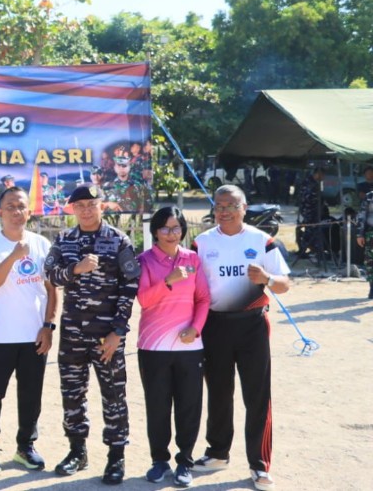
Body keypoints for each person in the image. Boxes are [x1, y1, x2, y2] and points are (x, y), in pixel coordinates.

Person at [192, 185, 291, 491]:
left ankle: (259, 466)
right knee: (219, 392)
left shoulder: (262, 241)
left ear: (244, 207)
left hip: (252, 327)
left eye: (231, 206)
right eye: (219, 206)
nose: (224, 211)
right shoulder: (202, 242)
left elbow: (285, 284)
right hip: (215, 326)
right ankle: (218, 452)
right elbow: (191, 286)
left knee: (257, 397)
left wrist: (267, 279)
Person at [43, 183, 138, 486]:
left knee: (113, 395)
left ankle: (116, 456)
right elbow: (49, 274)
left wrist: (118, 332)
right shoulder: (64, 239)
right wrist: (75, 270)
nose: (85, 210)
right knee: (72, 394)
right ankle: (76, 451)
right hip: (72, 333)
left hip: (106, 335)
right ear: (72, 209)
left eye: (91, 204)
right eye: (79, 205)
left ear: (101, 205)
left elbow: (130, 287)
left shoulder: (118, 240)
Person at [0, 187, 58, 475]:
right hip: (0, 336)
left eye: (20, 206)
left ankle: (26, 446)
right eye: (9, 206)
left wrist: (48, 326)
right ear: (0, 212)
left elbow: (51, 290)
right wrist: (13, 256)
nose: (15, 211)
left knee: (31, 395)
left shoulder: (42, 244)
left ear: (29, 212)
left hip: (34, 335)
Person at [136, 207, 210, 488]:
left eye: (177, 227)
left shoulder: (193, 260)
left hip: (190, 347)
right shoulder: (144, 260)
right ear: (155, 231)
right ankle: (159, 460)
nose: (171, 233)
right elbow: (143, 300)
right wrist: (168, 281)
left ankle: (185, 462)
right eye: (165, 228)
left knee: (189, 406)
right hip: (153, 346)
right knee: (157, 405)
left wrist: (196, 328)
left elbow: (203, 298)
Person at [104, 146, 149, 213]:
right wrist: (108, 204)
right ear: (114, 167)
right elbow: (100, 206)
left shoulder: (138, 186)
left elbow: (142, 208)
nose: (121, 168)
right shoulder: (106, 186)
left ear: (129, 167)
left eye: (124, 165)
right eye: (119, 165)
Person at [296, 166, 324, 259]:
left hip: (311, 210)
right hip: (309, 210)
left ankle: (310, 249)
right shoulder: (310, 183)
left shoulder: (314, 182)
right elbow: (309, 198)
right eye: (321, 175)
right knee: (310, 230)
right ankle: (304, 249)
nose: (322, 177)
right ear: (317, 174)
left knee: (311, 230)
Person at [358, 189, 373, 299]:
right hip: (371, 234)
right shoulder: (369, 197)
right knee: (370, 263)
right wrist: (360, 234)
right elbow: (362, 216)